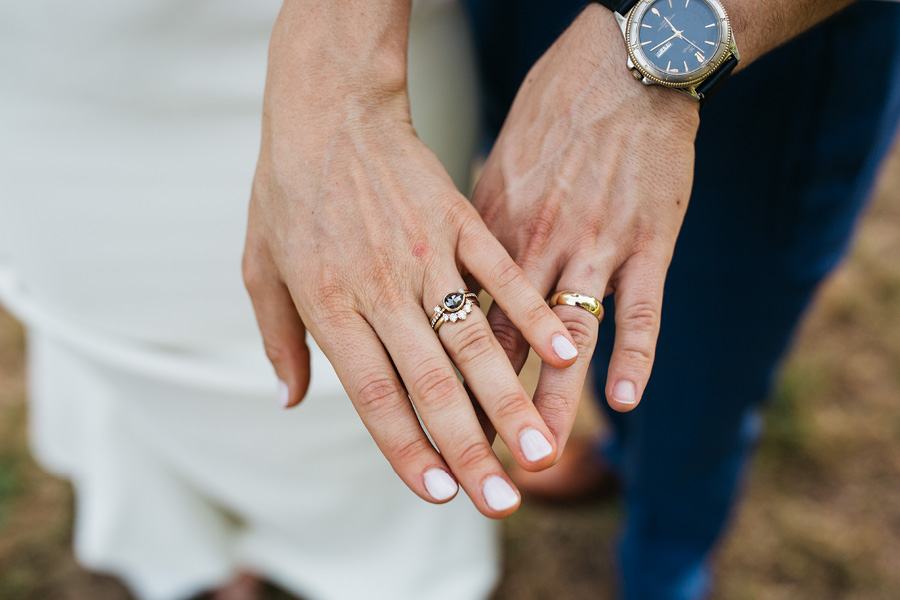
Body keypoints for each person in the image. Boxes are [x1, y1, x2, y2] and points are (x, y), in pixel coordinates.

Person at [246, 0, 900, 598]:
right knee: (568, 285)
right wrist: (330, 77)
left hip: (764, 55)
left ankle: (667, 554)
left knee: (699, 369)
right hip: (503, 20)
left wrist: (641, 64)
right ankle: (625, 451)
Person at [0, 1, 497, 599]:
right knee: (114, 329)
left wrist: (338, 82)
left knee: (373, 355)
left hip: (341, 37)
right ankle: (184, 550)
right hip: (51, 73)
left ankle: (384, 566)